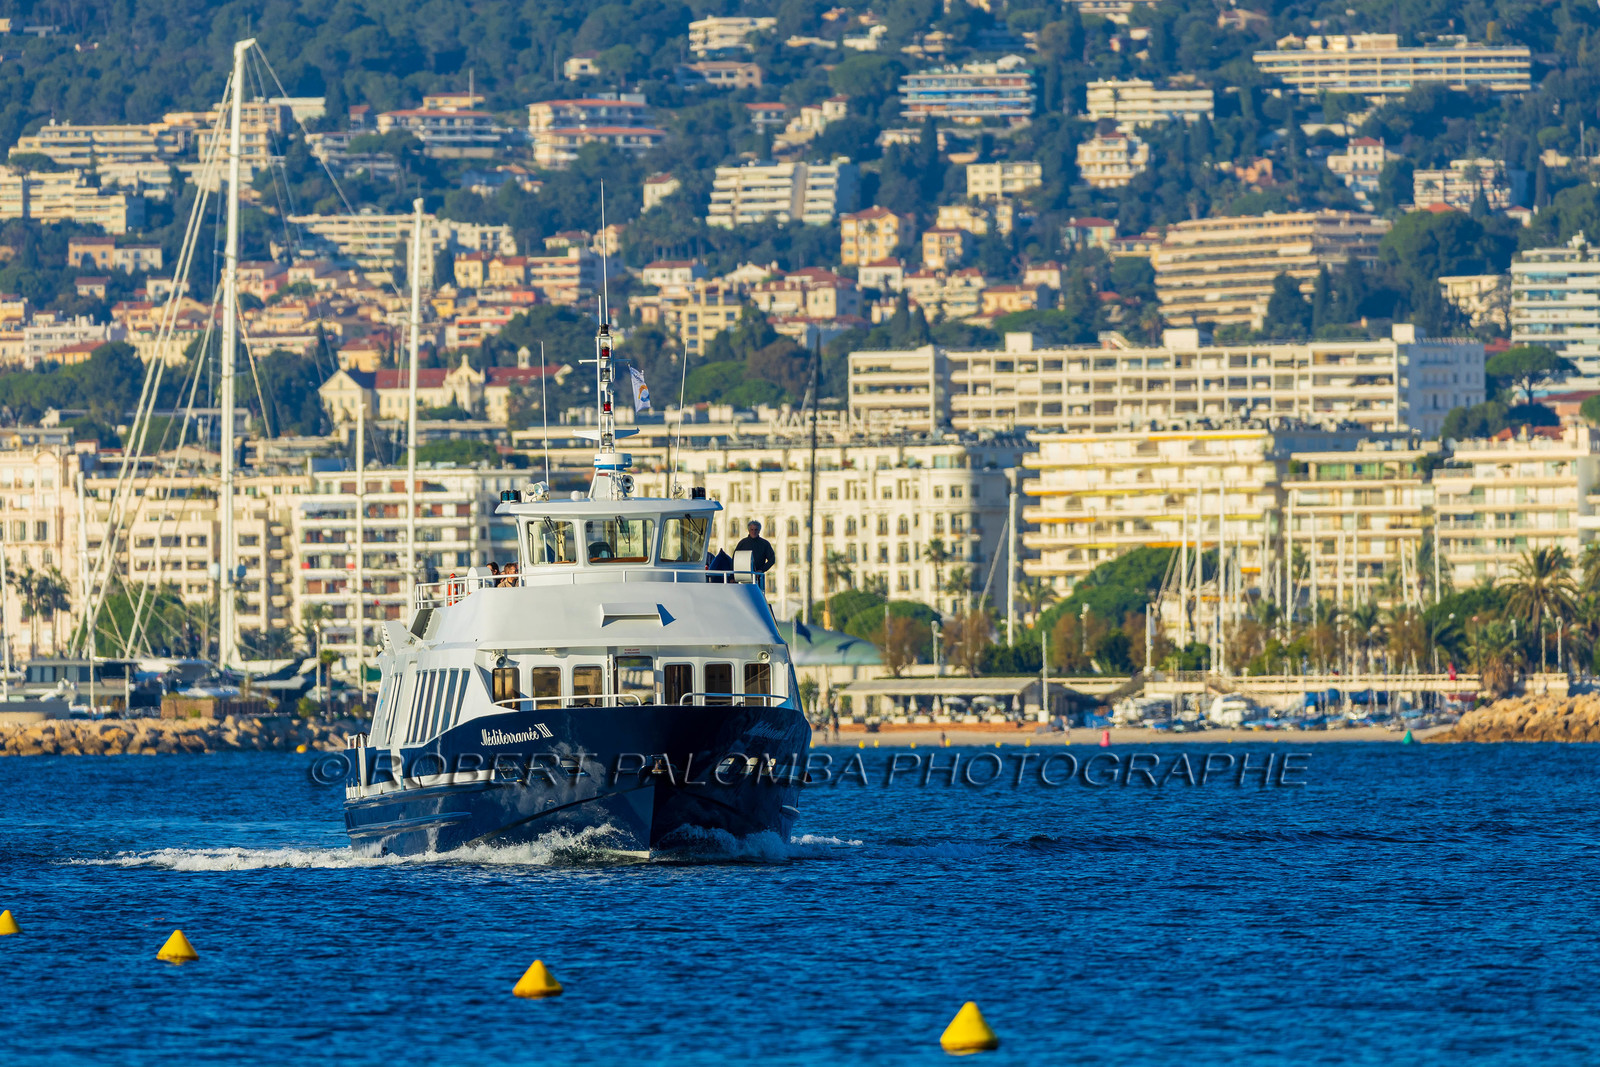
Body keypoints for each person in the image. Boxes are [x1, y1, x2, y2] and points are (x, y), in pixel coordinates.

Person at [734, 520, 775, 589]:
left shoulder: (765, 544)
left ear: (759, 531)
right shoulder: (742, 543)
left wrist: (761, 570)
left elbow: (772, 560)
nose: (754, 532)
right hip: (742, 578)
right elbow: (734, 560)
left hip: (758, 578)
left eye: (756, 530)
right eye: (752, 529)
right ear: (748, 530)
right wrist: (733, 577)